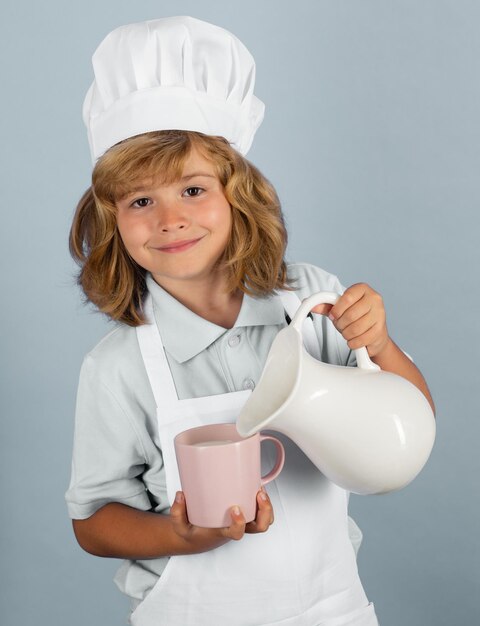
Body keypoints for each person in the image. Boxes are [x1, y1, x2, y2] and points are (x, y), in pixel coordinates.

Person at [65, 16, 434, 626]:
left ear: (239, 194)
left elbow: (409, 428)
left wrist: (381, 345)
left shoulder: (314, 302)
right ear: (112, 220)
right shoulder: (119, 366)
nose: (168, 219)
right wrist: (181, 537)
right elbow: (92, 523)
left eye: (191, 189)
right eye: (139, 200)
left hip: (332, 612)